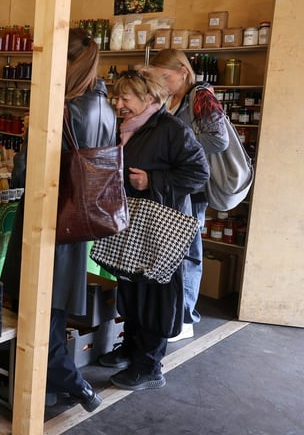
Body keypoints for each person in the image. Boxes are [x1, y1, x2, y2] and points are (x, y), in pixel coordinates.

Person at [0, 27, 116, 411]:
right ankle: (53, 387)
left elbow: (25, 174)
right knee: (53, 310)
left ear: (67, 62)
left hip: (47, 217)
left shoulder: (60, 110)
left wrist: (29, 136)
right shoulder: (106, 108)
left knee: (38, 310)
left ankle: (73, 384)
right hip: (78, 220)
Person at [98, 69, 209, 390]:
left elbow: (198, 173)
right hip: (131, 221)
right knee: (131, 287)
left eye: (125, 98)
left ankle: (149, 366)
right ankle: (131, 349)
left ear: (149, 98)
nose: (118, 104)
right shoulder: (128, 128)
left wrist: (152, 180)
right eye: (116, 97)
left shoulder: (171, 129)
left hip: (159, 226)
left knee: (155, 294)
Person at [149, 49, 228, 342]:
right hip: (174, 186)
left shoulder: (201, 96)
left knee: (189, 254)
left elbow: (218, 140)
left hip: (193, 188)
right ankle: (171, 312)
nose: (162, 83)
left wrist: (175, 143)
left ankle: (185, 319)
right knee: (173, 251)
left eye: (165, 76)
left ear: (184, 71)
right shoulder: (170, 99)